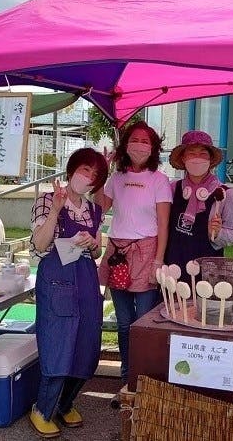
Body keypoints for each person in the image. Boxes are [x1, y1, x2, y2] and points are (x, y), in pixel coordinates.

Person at [28, 148, 108, 438]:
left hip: (85, 279)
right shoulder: (47, 200)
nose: (89, 177)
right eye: (86, 169)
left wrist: (91, 244)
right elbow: (39, 244)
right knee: (58, 344)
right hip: (56, 279)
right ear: (72, 168)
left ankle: (65, 403)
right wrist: (56, 210)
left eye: (95, 175)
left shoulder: (94, 209)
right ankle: (42, 409)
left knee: (87, 344)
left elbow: (97, 251)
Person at [96, 121, 172, 387]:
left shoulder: (159, 180)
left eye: (145, 141)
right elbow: (100, 207)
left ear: (153, 148)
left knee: (144, 322)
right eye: (135, 140)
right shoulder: (116, 178)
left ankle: (145, 378)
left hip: (147, 251)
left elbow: (163, 225)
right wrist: (102, 173)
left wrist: (158, 261)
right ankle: (127, 376)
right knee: (124, 321)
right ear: (125, 145)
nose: (139, 145)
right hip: (118, 252)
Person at [166, 130, 233, 282]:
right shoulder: (172, 189)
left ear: (210, 159)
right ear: (183, 158)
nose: (197, 158)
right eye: (191, 153)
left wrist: (218, 233)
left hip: (208, 273)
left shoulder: (224, 193)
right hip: (174, 267)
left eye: (203, 154)